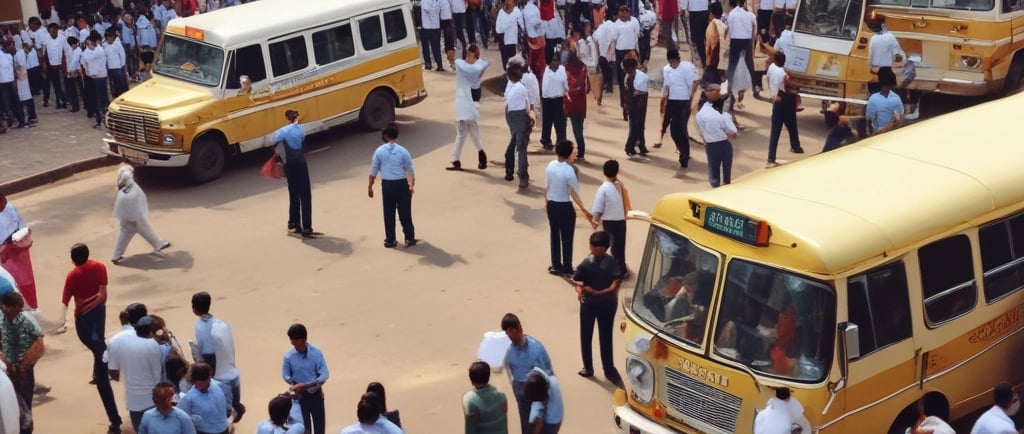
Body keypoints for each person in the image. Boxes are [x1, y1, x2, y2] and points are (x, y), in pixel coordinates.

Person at [55, 243, 122, 434]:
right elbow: (103, 293)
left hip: (83, 320)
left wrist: (60, 322)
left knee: (98, 350)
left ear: (73, 259)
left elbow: (65, 301)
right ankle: (102, 368)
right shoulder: (99, 266)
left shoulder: (73, 275)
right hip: (99, 315)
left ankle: (114, 419)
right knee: (98, 344)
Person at [572, 231, 624, 387]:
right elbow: (577, 281)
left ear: (606, 248)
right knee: (585, 335)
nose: (596, 250)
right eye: (594, 247)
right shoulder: (585, 264)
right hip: (589, 304)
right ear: (590, 246)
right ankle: (588, 367)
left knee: (606, 336)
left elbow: (616, 282)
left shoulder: (612, 262)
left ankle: (608, 369)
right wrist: (580, 291)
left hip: (607, 304)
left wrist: (600, 292)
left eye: (600, 248)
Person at [190, 292, 244, 423]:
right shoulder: (222, 324)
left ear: (194, 309)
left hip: (222, 379)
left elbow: (208, 355)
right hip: (233, 373)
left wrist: (206, 376)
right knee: (235, 408)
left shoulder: (200, 327)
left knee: (225, 414)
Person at [108, 315, 165, 433]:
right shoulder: (153, 345)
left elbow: (114, 371)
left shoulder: (125, 345)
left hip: (133, 401)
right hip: (151, 400)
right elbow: (157, 375)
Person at [544, 141, 592, 276]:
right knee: (567, 238)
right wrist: (584, 209)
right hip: (565, 206)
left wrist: (546, 202)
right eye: (573, 153)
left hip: (552, 204)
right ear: (568, 154)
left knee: (554, 235)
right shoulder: (569, 171)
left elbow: (546, 187)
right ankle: (567, 266)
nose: (575, 155)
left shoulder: (550, 165)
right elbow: (574, 192)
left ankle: (556, 265)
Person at [500, 313, 553, 434]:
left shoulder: (537, 349)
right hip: (520, 391)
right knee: (525, 421)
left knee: (539, 422)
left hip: (537, 392)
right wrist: (514, 384)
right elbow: (509, 368)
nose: (509, 335)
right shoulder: (510, 351)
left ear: (519, 328)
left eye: (511, 331)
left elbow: (548, 373)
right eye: (507, 332)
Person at [368, 123, 417, 248]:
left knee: (388, 212)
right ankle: (409, 238)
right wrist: (411, 186)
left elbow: (373, 171)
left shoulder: (379, 151)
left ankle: (390, 240)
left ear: (385, 136)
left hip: (387, 185)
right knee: (405, 212)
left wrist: (370, 187)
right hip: (402, 184)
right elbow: (410, 171)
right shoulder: (403, 151)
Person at [0, 292, 43, 434]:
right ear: (6, 306)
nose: (19, 309)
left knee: (25, 403)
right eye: (16, 307)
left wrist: (26, 364)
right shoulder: (2, 319)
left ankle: (26, 430)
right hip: (8, 369)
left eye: (20, 307)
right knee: (10, 403)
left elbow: (40, 343)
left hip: (24, 370)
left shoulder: (27, 320)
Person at [112, 165, 172, 263]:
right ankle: (158, 244)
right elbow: (139, 206)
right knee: (148, 232)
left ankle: (116, 256)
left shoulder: (122, 191)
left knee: (123, 238)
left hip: (125, 221)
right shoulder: (133, 190)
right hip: (137, 220)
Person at [274, 109, 319, 239]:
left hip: (289, 166)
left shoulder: (282, 132)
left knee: (294, 195)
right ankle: (307, 228)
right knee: (305, 196)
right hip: (300, 164)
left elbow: (278, 150)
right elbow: (302, 143)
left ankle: (294, 224)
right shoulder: (299, 130)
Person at [448, 45, 491, 171]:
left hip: (468, 103)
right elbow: (484, 63)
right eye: (466, 54)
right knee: (466, 131)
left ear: (475, 58)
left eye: (470, 55)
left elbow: (466, 66)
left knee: (468, 130)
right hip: (466, 103)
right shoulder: (477, 66)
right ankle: (457, 159)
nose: (466, 57)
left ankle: (478, 155)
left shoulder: (462, 65)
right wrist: (481, 63)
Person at [282, 323, 329, 434]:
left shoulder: (316, 353)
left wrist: (306, 385)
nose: (292, 343)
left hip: (316, 394)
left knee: (320, 429)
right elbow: (285, 375)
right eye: (291, 340)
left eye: (294, 340)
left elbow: (325, 375)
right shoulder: (288, 356)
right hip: (299, 398)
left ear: (303, 340)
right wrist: (294, 384)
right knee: (303, 429)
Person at [660, 48, 699, 168]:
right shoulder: (666, 69)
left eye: (675, 61)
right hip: (672, 100)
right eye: (671, 62)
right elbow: (666, 85)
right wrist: (664, 99)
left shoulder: (687, 67)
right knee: (672, 130)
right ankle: (681, 149)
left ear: (678, 59)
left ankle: (684, 155)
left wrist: (691, 97)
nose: (673, 64)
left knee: (680, 129)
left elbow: (695, 82)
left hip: (683, 101)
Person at [589, 160, 630, 275]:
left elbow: (598, 207)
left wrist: (595, 219)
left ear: (604, 172)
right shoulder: (620, 186)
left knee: (612, 247)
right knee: (620, 247)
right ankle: (622, 269)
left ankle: (615, 271)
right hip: (621, 221)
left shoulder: (603, 189)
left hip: (609, 222)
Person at [765, 51, 803, 168]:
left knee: (776, 130)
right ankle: (795, 146)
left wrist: (772, 93)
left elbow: (768, 79)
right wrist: (799, 84)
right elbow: (789, 84)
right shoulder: (783, 74)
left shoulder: (771, 67)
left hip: (777, 100)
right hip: (785, 99)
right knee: (791, 124)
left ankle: (772, 158)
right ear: (784, 61)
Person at [695, 84, 738, 187]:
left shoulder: (702, 113)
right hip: (721, 143)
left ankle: (717, 187)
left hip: (712, 144)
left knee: (714, 172)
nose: (719, 94)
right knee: (725, 173)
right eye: (717, 92)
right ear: (708, 93)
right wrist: (732, 132)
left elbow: (701, 129)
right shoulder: (718, 111)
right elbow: (730, 128)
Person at [0, 194, 36, 311]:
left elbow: (23, 227)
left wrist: (25, 235)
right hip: (6, 258)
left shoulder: (10, 208)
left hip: (21, 253)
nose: (4, 205)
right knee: (12, 286)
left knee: (28, 285)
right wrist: (7, 246)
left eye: (4, 201)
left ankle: (32, 310)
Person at [503, 62, 535, 188]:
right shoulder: (521, 88)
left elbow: (507, 105)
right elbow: (527, 106)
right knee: (521, 147)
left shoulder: (510, 87)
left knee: (515, 144)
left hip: (511, 116)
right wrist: (530, 117)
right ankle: (523, 176)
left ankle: (511, 169)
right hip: (520, 116)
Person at [176, 363, 231, 434]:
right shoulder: (189, 398)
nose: (204, 385)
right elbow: (179, 415)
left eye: (206, 382)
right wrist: (194, 419)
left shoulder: (219, 386)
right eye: (200, 384)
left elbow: (227, 407)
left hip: (224, 429)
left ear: (209, 379)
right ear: (194, 381)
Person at [463, 361, 508, 434]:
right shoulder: (502, 397)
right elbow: (504, 425)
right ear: (488, 377)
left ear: (472, 381)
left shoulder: (469, 400)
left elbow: (470, 428)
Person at [563, 48, 590, 161]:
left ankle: (566, 152)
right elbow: (588, 88)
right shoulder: (584, 67)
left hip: (568, 103)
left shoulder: (565, 69)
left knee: (565, 129)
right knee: (579, 129)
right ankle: (581, 153)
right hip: (581, 104)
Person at [867, 13, 903, 95]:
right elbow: (897, 54)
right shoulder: (890, 37)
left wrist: (871, 67)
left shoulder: (873, 38)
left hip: (875, 71)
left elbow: (870, 56)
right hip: (886, 71)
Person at [540, 54, 568, 152]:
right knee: (547, 122)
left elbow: (565, 84)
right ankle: (546, 142)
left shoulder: (562, 70)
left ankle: (561, 142)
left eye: (556, 60)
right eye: (552, 60)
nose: (554, 63)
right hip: (547, 100)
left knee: (560, 122)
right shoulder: (546, 70)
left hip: (558, 99)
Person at [622, 58, 649, 157]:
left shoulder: (642, 77)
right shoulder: (628, 76)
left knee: (638, 125)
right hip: (631, 102)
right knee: (634, 126)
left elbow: (642, 92)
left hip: (640, 103)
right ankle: (636, 146)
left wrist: (636, 93)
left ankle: (633, 146)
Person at [81, 32, 108, 128]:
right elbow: (84, 62)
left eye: (90, 43)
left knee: (102, 100)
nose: (88, 45)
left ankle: (104, 120)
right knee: (95, 99)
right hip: (91, 78)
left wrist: (93, 73)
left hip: (100, 78)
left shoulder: (100, 51)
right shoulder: (86, 51)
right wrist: (88, 72)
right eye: (87, 43)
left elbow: (99, 62)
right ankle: (99, 120)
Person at [524, 368, 563, 434]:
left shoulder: (538, 403)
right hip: (558, 415)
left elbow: (539, 424)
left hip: (550, 422)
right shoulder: (552, 379)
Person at [865, 69, 903, 135]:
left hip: (884, 134)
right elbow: (901, 117)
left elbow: (869, 120)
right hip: (887, 134)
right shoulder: (896, 98)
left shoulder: (873, 98)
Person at [495, 0, 524, 75]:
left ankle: (514, 76)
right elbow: (498, 29)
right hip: (504, 41)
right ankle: (508, 75)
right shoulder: (501, 12)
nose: (508, 2)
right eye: (506, 0)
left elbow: (522, 26)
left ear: (514, 2)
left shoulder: (517, 12)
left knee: (514, 61)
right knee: (505, 62)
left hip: (513, 41)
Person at [681, 0, 710, 67]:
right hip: (705, 10)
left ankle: (704, 59)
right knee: (705, 36)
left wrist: (683, 8)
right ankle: (707, 58)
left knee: (698, 38)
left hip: (695, 11)